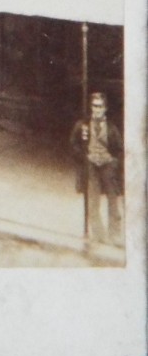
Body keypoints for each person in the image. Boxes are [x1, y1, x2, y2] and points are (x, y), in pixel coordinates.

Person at [70, 91, 123, 245]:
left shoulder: (111, 128)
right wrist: (83, 156)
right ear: (91, 107)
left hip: (108, 167)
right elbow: (73, 142)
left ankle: (114, 234)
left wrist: (113, 162)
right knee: (93, 201)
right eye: (94, 106)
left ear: (105, 108)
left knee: (113, 201)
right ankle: (99, 235)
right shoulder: (83, 125)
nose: (97, 109)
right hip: (91, 166)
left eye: (100, 106)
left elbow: (119, 148)